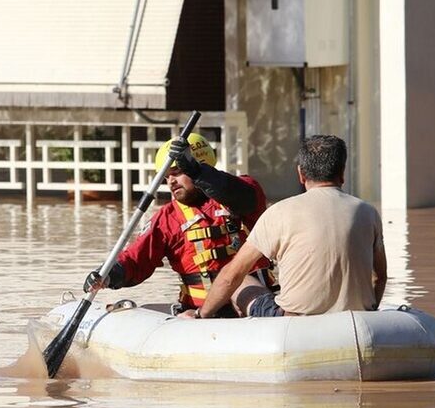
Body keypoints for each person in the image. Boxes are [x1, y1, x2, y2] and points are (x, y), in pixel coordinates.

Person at [180, 135, 385, 319]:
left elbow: (230, 277)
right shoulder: (368, 212)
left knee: (242, 281)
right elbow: (379, 277)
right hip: (356, 317)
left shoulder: (279, 212)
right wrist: (370, 311)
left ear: (301, 174)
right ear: (342, 173)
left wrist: (200, 314)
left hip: (293, 321)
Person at [84, 133, 272, 314]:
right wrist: (109, 273)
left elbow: (240, 196)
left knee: (244, 287)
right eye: (166, 176)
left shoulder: (243, 190)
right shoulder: (167, 219)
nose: (171, 181)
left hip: (251, 302)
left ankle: (272, 314)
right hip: (199, 313)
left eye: (177, 172)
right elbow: (136, 259)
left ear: (200, 164)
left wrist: (197, 172)